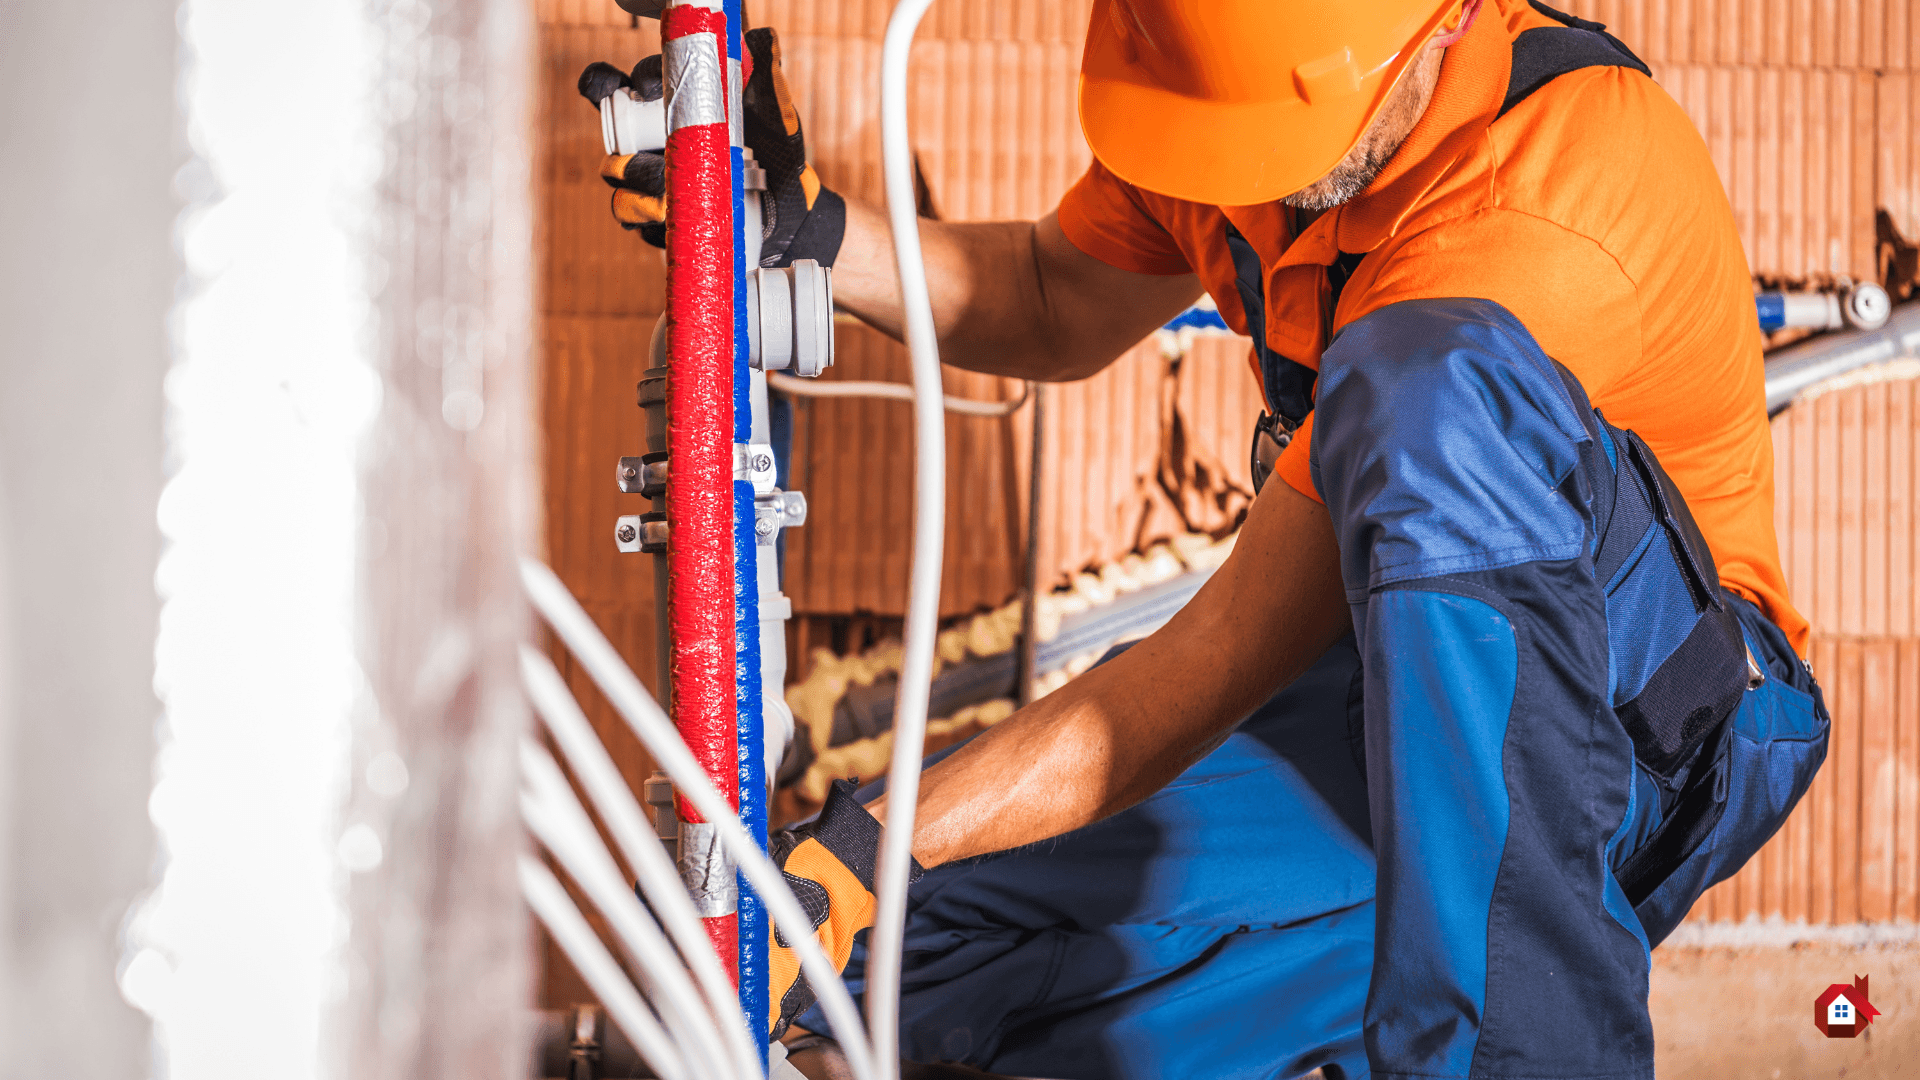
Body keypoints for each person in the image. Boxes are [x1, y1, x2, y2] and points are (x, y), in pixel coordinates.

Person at [581, 2, 1830, 1077]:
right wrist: (817, 235)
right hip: (1388, 700)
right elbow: (1050, 293)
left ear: (1443, 17)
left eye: (1287, 143)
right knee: (899, 953)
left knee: (1429, 389)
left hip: (1655, 721)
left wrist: (862, 836)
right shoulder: (1229, 104)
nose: (1266, 187)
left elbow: (1216, 654)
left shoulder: (1546, 203)